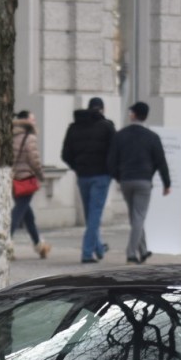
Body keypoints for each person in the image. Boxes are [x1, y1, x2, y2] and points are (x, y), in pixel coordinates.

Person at [107, 101, 170, 265]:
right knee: (139, 216)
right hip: (143, 180)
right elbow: (161, 161)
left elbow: (111, 161)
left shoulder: (120, 135)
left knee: (135, 216)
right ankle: (131, 253)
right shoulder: (152, 137)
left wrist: (118, 177)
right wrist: (166, 183)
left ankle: (143, 250)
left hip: (126, 180)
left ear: (134, 115)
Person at [61, 97, 115, 263]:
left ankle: (98, 248)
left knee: (90, 215)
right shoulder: (107, 127)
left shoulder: (74, 127)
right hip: (101, 176)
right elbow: (115, 151)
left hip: (83, 176)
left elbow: (65, 154)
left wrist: (78, 167)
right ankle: (86, 253)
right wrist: (110, 169)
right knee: (95, 215)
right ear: (102, 109)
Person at [10, 110, 50, 259]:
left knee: (28, 215)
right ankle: (6, 243)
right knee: (18, 212)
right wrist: (41, 175)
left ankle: (39, 245)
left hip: (13, 179)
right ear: (26, 121)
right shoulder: (29, 137)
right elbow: (34, 160)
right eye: (32, 119)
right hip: (26, 179)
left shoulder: (11, 135)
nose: (34, 122)